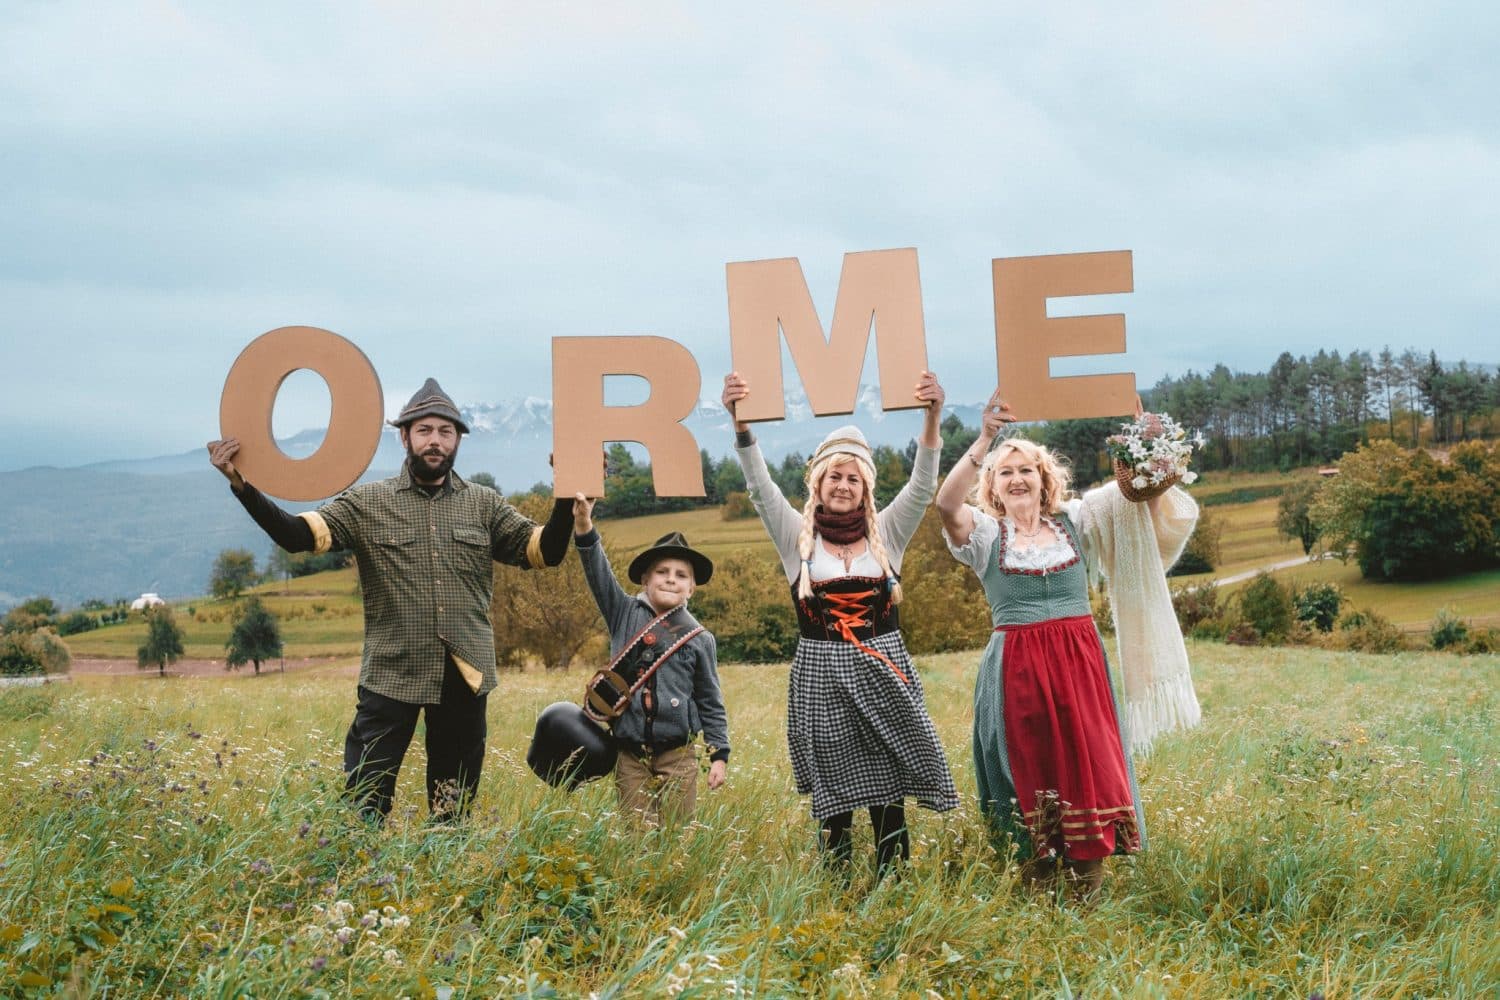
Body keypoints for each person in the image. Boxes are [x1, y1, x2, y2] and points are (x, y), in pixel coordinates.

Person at [207, 378, 573, 823]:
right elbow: (296, 535)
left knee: (454, 808)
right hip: (390, 672)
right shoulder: (368, 502)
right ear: (404, 437)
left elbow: (545, 551)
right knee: (365, 799)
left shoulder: (484, 505)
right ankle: (363, 862)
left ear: (458, 440)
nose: (435, 441)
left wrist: (567, 492)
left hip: (464, 673)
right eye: (424, 430)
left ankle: (447, 863)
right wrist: (242, 485)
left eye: (445, 431)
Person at [934, 390, 1199, 899]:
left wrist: (1146, 441)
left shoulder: (1077, 519)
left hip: (1080, 669)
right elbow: (946, 504)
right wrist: (986, 438)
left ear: (1044, 479)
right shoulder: (986, 536)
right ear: (992, 485)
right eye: (1005, 473)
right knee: (1028, 771)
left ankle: (1087, 898)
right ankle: (1038, 899)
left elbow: (1137, 499)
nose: (1017, 479)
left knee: (1089, 768)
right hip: (1017, 672)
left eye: (1026, 470)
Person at [720, 370, 958, 881]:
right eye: (834, 477)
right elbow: (760, 489)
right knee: (835, 790)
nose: (844, 486)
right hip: (821, 672)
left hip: (882, 665)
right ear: (818, 484)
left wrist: (933, 417)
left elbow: (922, 486)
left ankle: (893, 883)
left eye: (853, 478)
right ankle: (838, 886)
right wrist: (741, 426)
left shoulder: (888, 532)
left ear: (866, 487)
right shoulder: (796, 537)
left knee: (888, 784)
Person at [571, 496, 729, 826]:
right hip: (629, 754)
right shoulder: (623, 613)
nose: (671, 579)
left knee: (676, 836)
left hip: (678, 754)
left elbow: (710, 700)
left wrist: (719, 755)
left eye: (681, 575)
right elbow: (598, 573)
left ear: (691, 588)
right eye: (662, 572)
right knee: (636, 836)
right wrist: (584, 526)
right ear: (645, 579)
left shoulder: (700, 639)